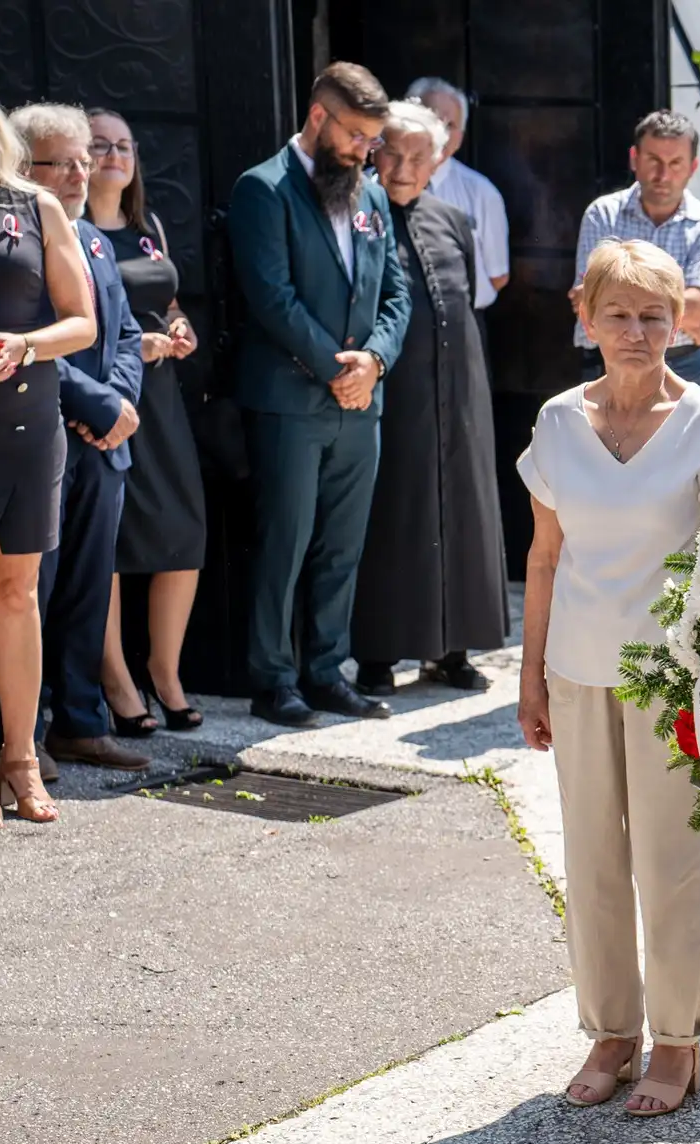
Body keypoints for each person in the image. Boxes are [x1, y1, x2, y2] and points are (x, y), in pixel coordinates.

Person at [518, 239, 700, 1117]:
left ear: (680, 321)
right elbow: (544, 558)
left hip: (673, 679)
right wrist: (531, 677)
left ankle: (677, 1041)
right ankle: (611, 1031)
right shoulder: (557, 421)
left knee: (670, 865)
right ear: (586, 318)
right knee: (590, 860)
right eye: (617, 313)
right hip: (578, 670)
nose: (635, 330)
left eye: (653, 315)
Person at [230, 61, 411, 727]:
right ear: (317, 117)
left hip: (362, 403)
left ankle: (327, 671)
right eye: (356, 135)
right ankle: (273, 679)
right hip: (291, 399)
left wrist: (375, 361)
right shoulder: (263, 188)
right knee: (284, 541)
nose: (366, 151)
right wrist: (338, 367)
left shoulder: (371, 197)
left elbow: (397, 293)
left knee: (342, 545)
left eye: (372, 139)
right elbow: (271, 297)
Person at [0, 71, 96, 828]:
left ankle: (19, 755)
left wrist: (22, 344)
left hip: (24, 422)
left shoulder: (35, 206)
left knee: (16, 589)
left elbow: (81, 322)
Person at [350, 100, 509, 696]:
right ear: (375, 153)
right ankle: (377, 653)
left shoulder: (452, 219)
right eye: (393, 153)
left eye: (419, 157)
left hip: (459, 387)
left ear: (438, 161)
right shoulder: (358, 215)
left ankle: (451, 651)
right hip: (393, 388)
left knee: (460, 512)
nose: (403, 168)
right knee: (394, 512)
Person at [16, 104, 148, 774]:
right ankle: (24, 733)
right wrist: (95, 403)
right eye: (61, 162)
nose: (79, 174)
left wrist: (118, 402)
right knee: (31, 593)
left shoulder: (93, 239)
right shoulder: (13, 242)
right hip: (43, 438)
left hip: (102, 447)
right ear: (23, 167)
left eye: (82, 160)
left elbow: (124, 331)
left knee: (89, 588)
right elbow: (27, 339)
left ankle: (81, 723)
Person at [85, 108, 206, 737]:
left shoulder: (148, 226)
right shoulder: (71, 229)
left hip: (161, 402)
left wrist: (178, 324)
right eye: (99, 145)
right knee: (108, 539)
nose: (113, 155)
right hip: (109, 397)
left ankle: (165, 671)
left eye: (123, 146)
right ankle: (116, 681)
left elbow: (167, 299)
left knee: (184, 532)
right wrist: (141, 346)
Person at [572, 111, 700, 386]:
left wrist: (618, 301)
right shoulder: (602, 214)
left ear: (693, 167)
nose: (663, 175)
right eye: (653, 160)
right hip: (607, 362)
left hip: (682, 364)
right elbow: (589, 299)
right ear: (634, 158)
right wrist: (680, 311)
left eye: (675, 163)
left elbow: (696, 307)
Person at [406, 77, 510, 309]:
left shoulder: (481, 192)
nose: (440, 133)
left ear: (461, 136)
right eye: (432, 120)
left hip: (463, 318)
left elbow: (498, 276)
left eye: (450, 125)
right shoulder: (374, 184)